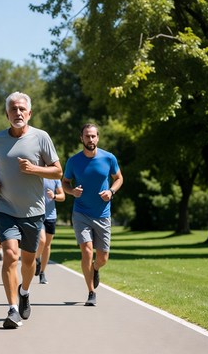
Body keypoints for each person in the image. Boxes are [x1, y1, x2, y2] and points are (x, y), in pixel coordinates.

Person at [0, 91, 62, 329]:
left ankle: (24, 291)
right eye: (13, 109)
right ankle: (13, 309)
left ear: (29, 113)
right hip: (5, 208)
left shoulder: (41, 137)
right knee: (10, 255)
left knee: (28, 262)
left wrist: (35, 169)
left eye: (22, 109)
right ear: (7, 114)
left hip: (34, 211)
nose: (18, 113)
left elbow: (57, 171)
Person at [62, 123, 123, 306]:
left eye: (93, 136)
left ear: (98, 137)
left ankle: (95, 269)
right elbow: (65, 182)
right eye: (87, 136)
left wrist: (111, 192)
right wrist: (72, 192)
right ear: (82, 138)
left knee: (102, 257)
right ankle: (91, 292)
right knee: (87, 251)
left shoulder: (108, 158)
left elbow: (119, 178)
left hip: (103, 214)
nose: (90, 139)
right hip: (81, 213)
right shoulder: (73, 161)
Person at [35, 178, 65, 284]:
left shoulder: (55, 178)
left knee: (47, 245)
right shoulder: (36, 174)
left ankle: (42, 273)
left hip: (51, 216)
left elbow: (63, 196)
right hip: (37, 214)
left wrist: (54, 196)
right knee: (42, 241)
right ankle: (37, 257)